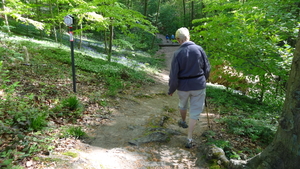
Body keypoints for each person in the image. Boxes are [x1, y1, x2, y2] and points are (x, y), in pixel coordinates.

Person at [168, 27, 210, 148]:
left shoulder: (177, 53)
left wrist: (171, 89)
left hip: (183, 86)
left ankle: (183, 121)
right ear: (188, 37)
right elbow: (207, 68)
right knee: (195, 112)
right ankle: (190, 138)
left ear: (178, 40)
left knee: (183, 104)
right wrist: (203, 80)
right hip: (198, 85)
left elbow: (173, 75)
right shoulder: (199, 49)